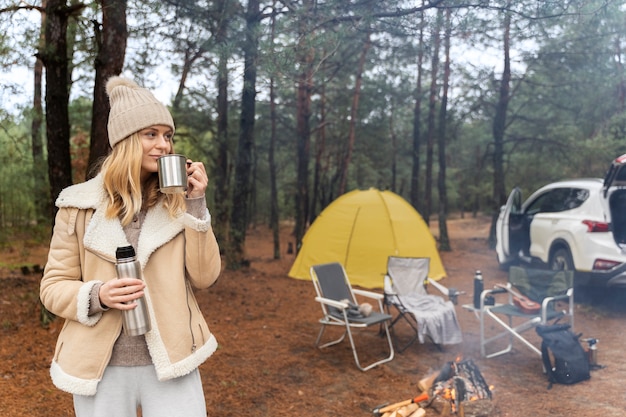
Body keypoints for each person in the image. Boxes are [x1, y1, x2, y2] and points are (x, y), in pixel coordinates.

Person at [40, 76, 221, 417]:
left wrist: (196, 204)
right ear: (124, 140)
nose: (163, 145)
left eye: (167, 136)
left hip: (172, 360)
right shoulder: (76, 207)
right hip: (101, 366)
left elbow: (205, 276)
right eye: (150, 134)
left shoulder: (178, 203)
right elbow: (52, 288)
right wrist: (97, 295)